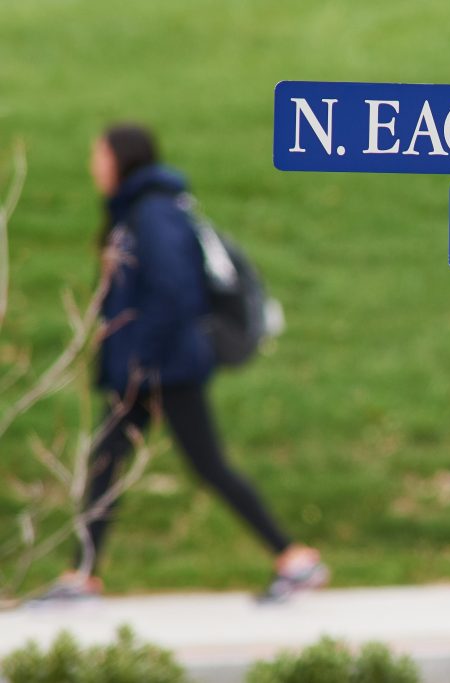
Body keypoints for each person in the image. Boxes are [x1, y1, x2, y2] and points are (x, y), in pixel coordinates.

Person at [38, 123, 326, 603]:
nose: (94, 166)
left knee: (202, 463)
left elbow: (175, 293)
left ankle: (295, 558)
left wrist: (140, 358)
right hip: (154, 366)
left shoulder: (152, 215)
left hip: (165, 367)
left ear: (119, 159)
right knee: (110, 459)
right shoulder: (140, 210)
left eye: (99, 155)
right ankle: (82, 574)